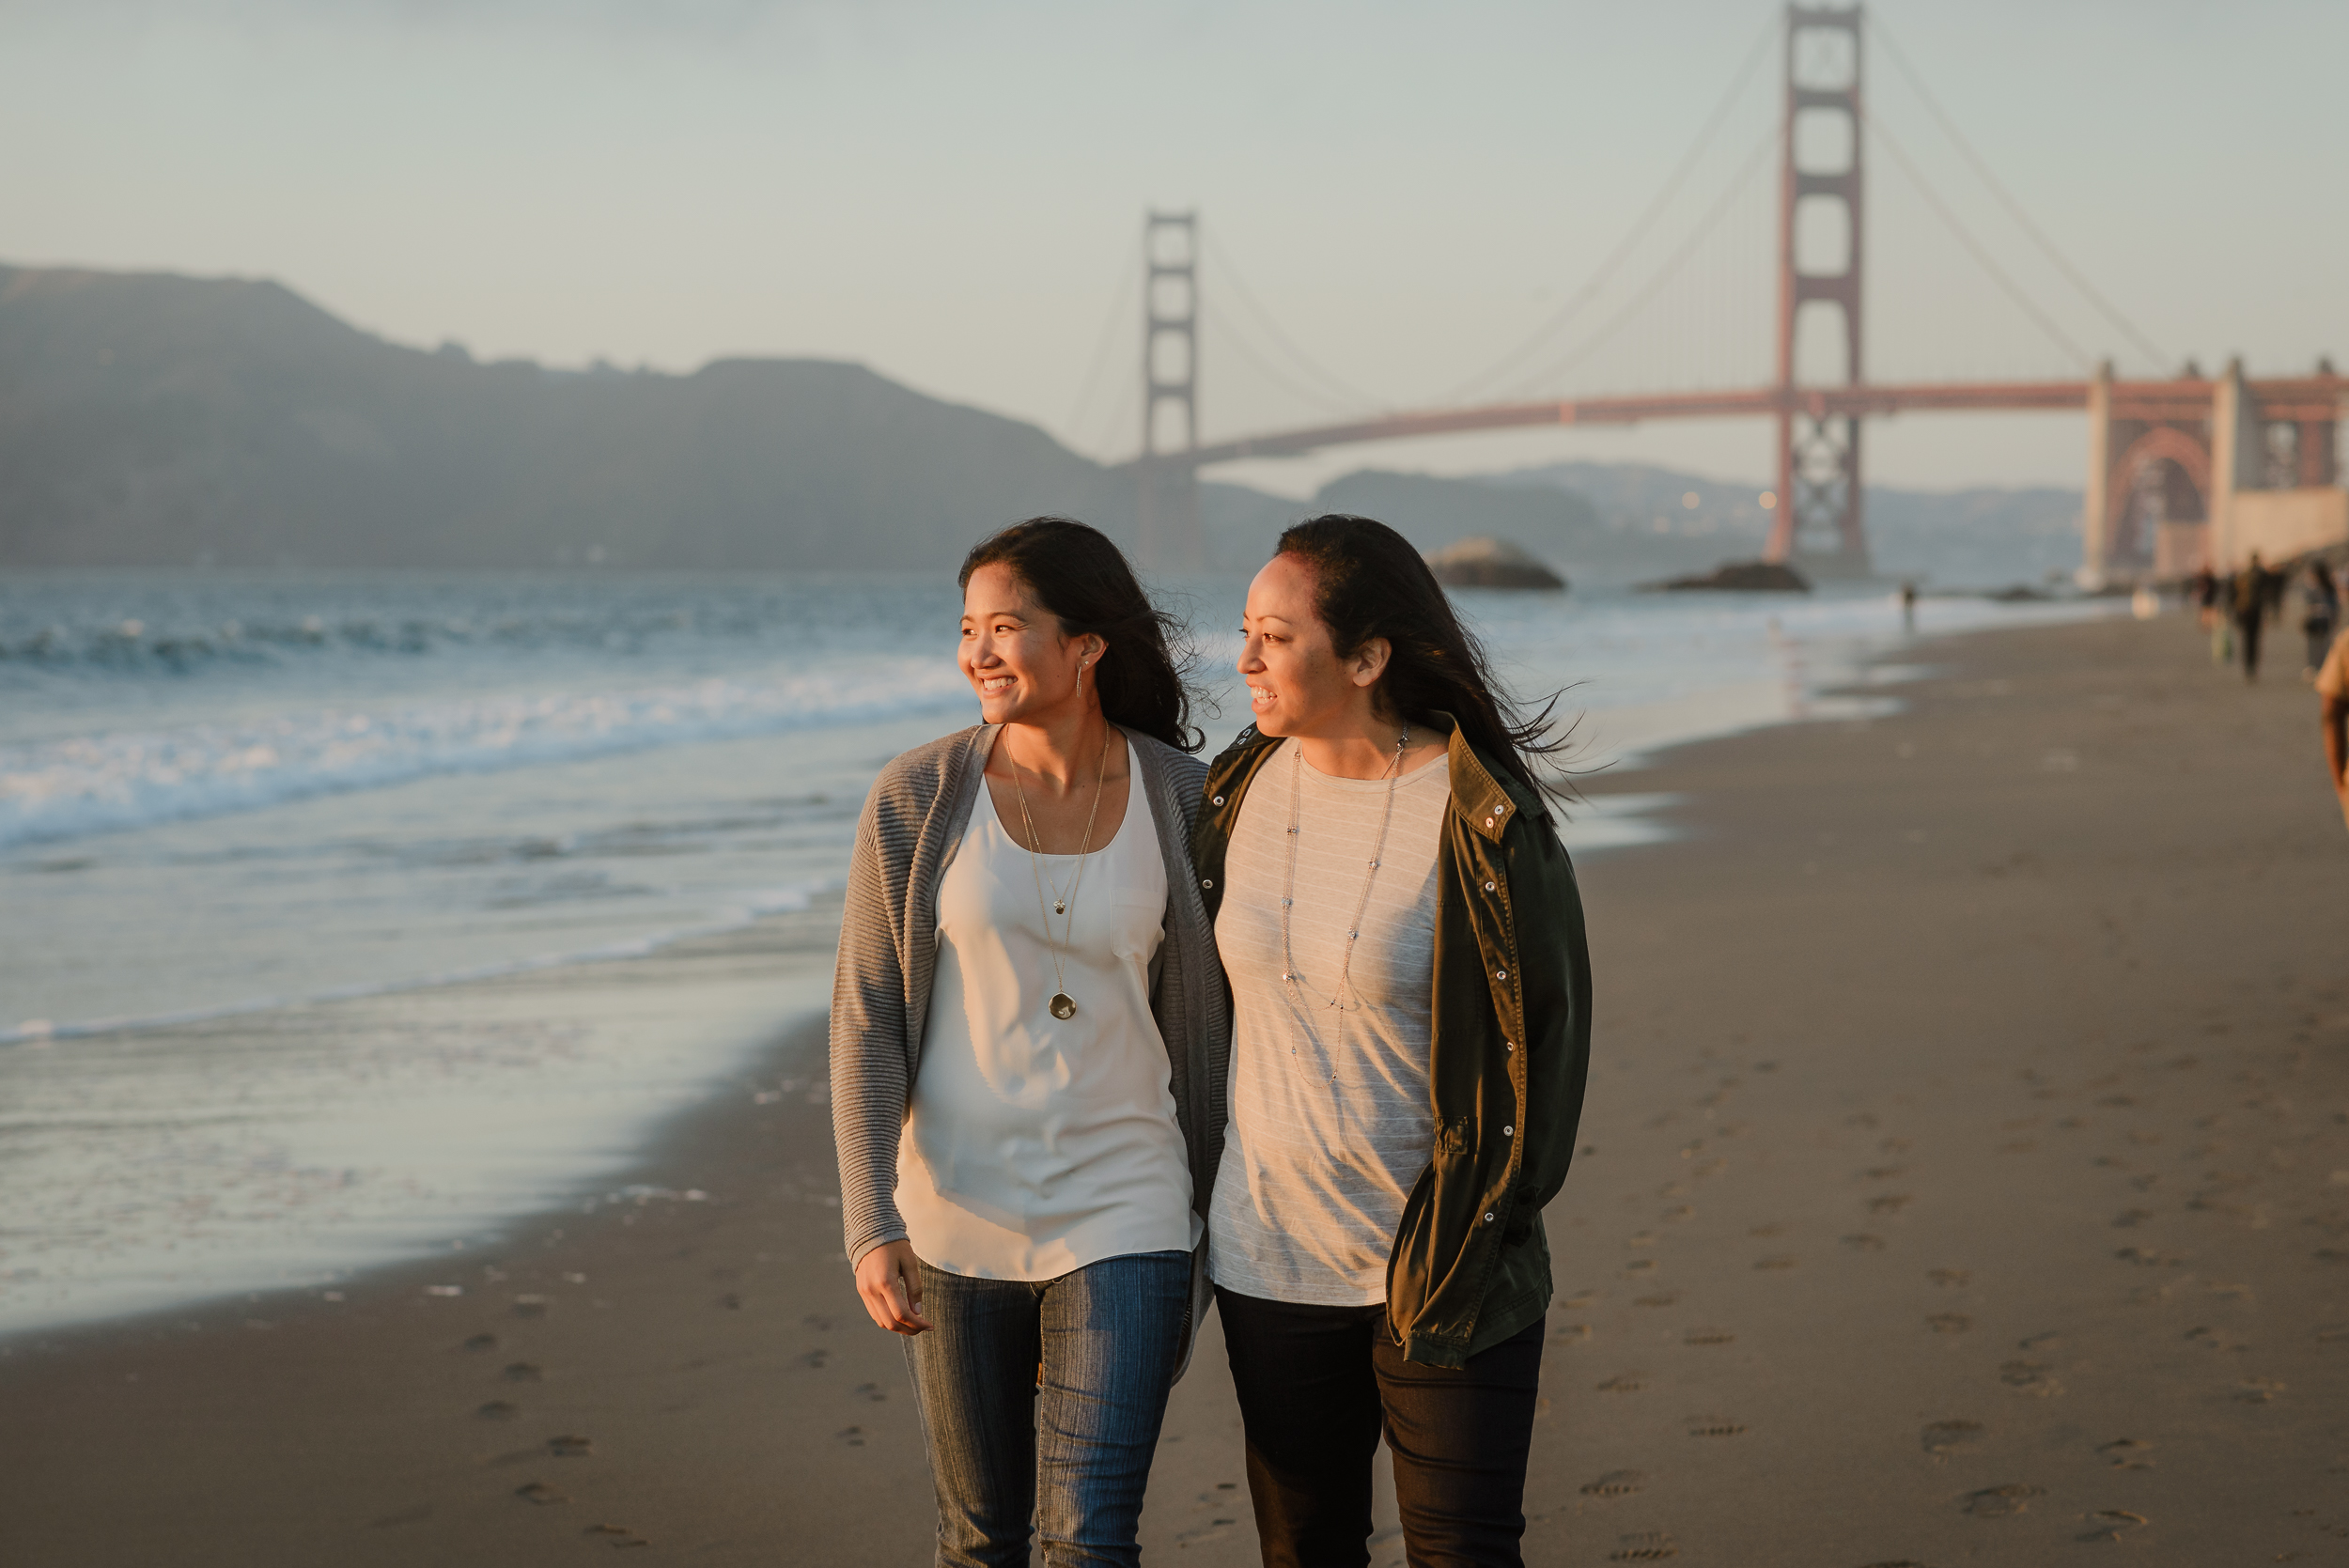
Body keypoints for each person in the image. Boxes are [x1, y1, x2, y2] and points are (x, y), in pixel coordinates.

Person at [1191, 514, 1593, 1568]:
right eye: (1245, 631)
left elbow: (1546, 1056)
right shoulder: (1233, 795)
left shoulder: (1483, 820)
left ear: (1366, 657)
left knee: (1463, 1553)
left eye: (1274, 636)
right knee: (1305, 1550)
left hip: (1441, 1266)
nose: (1244, 660)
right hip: (1267, 1256)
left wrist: (1477, 1228)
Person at [829, 518, 1229, 1568]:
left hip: (1125, 1201)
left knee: (1088, 1534)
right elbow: (867, 1012)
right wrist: (872, 1218)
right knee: (980, 1538)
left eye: (1007, 626)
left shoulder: (1183, 798)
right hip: (955, 1211)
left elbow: (1230, 1009)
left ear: (1088, 644)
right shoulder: (916, 797)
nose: (979, 652)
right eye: (968, 628)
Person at [2233, 552, 2274, 682]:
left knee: (2246, 639)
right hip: (2255, 610)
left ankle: (2248, 665)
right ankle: (2253, 666)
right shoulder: (2261, 574)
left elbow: (2234, 594)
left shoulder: (2243, 575)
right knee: (2255, 639)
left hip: (2244, 611)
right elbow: (2267, 593)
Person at [2301, 560, 2339, 677]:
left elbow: (2309, 605)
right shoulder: (2329, 587)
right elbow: (2335, 606)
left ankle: (2315, 667)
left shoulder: (2314, 587)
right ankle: (2322, 667)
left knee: (2315, 645)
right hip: (2326, 619)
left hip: (2317, 619)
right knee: (2324, 645)